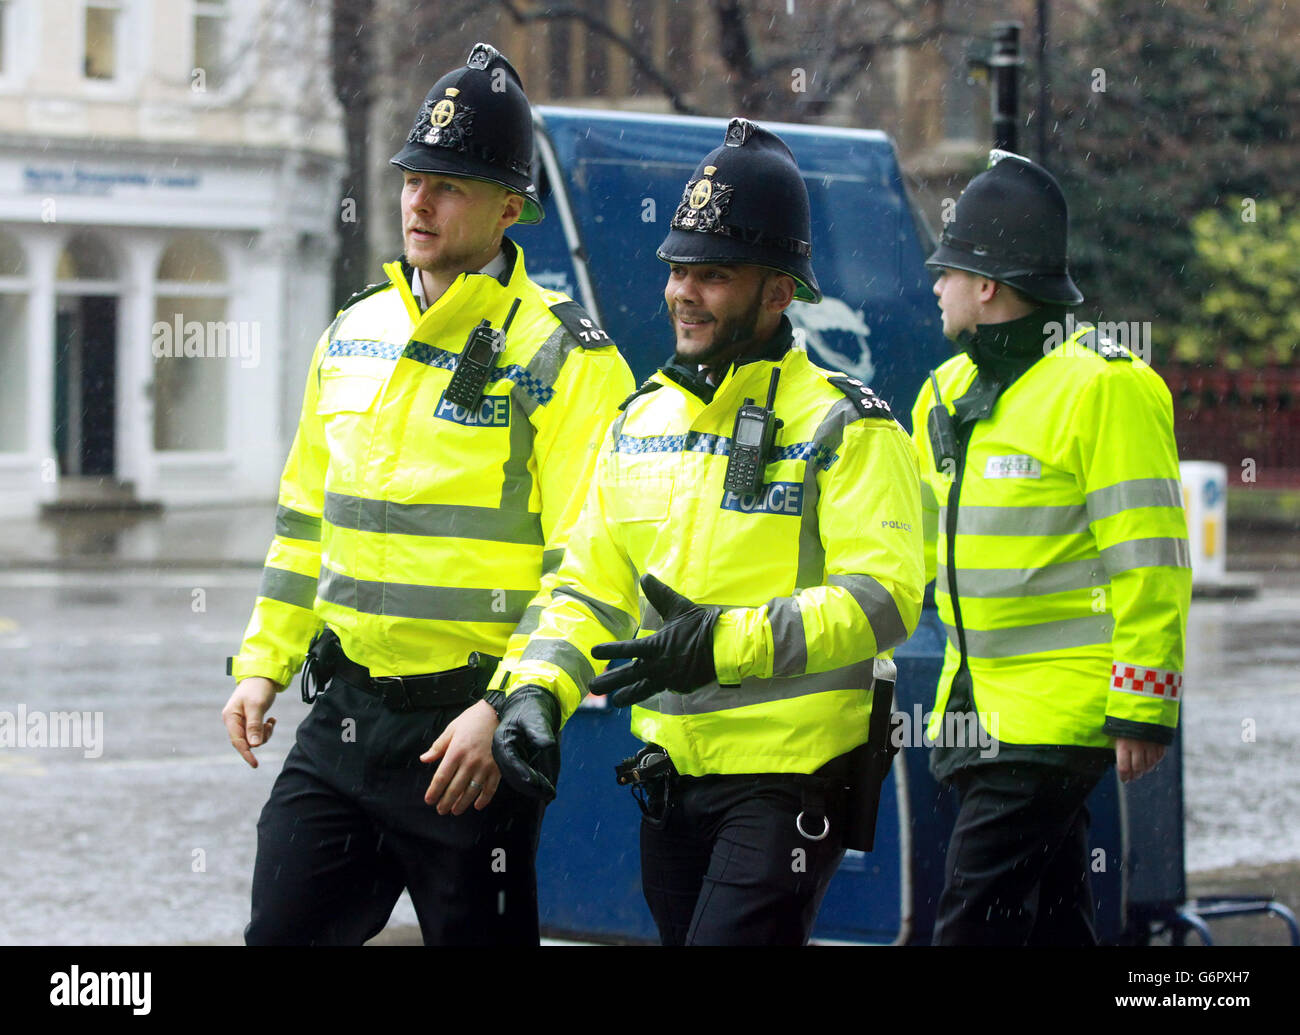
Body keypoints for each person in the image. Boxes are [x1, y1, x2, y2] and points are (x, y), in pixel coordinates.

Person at [219, 43, 634, 946]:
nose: (419, 200)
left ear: (509, 207)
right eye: (415, 178)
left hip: (468, 736)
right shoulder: (353, 330)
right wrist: (264, 661)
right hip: (346, 718)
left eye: (449, 184)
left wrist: (512, 705)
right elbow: (304, 523)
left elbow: (593, 563)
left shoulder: (566, 357)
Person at [483, 118, 926, 946]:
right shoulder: (640, 421)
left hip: (791, 782)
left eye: (713, 275)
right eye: (679, 270)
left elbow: (885, 598)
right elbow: (587, 584)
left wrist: (722, 644)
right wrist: (535, 692)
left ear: (779, 291)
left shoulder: (847, 426)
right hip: (669, 779)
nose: (683, 292)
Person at [911, 150, 1191, 945]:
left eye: (949, 270)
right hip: (977, 714)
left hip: (1051, 720)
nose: (936, 285)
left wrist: (1145, 703)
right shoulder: (948, 393)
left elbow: (1151, 554)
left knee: (971, 926)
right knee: (1053, 923)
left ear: (989, 285)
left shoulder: (1105, 385)